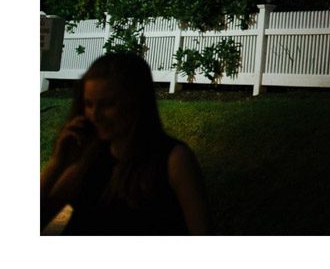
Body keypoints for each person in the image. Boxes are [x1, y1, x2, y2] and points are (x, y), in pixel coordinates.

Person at [41, 52, 210, 235]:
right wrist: (57, 163)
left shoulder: (172, 160)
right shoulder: (91, 159)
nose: (95, 116)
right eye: (89, 104)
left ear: (135, 102)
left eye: (107, 104)